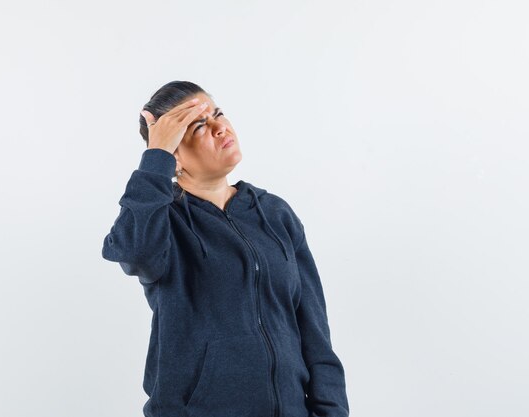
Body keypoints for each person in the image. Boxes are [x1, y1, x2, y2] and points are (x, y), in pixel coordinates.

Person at [102, 80, 350, 417]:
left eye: (218, 114)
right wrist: (155, 158)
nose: (220, 128)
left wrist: (331, 411)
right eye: (199, 126)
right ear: (173, 155)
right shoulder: (162, 221)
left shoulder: (275, 213)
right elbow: (132, 252)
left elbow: (315, 331)